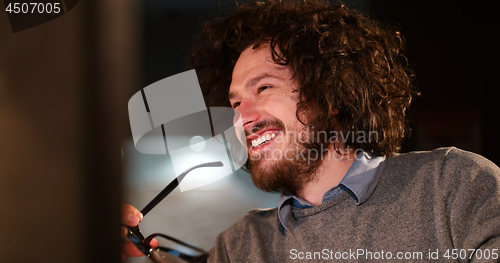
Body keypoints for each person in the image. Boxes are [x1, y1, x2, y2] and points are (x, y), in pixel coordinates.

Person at [123, 1, 500, 262]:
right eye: (236, 103)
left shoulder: (454, 186)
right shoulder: (239, 247)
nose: (243, 118)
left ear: (332, 93)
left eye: (264, 87)